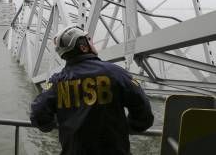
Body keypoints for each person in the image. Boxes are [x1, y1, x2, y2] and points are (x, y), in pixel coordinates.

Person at [30, 25, 154, 155]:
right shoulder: (115, 73)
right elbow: (144, 114)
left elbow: (38, 115)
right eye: (89, 39)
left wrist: (54, 124)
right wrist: (128, 128)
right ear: (83, 47)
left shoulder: (57, 82)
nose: (92, 42)